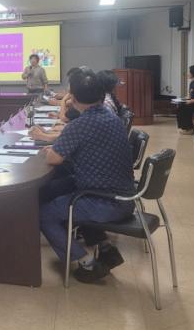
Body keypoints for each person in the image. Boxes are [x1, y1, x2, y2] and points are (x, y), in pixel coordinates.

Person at [39, 68, 135, 283]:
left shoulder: (80, 125)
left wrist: (54, 151)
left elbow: (53, 159)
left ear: (72, 97)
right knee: (51, 189)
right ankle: (105, 248)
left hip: (106, 202)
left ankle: (87, 263)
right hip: (123, 195)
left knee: (44, 213)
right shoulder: (111, 117)